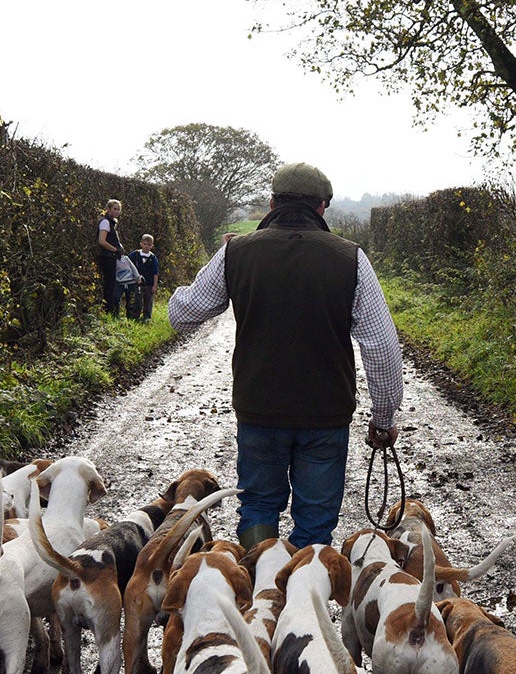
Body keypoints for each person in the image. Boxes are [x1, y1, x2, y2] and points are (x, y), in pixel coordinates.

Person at [167, 161, 403, 547]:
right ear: (322, 207)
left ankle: (262, 593)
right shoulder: (351, 257)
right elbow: (381, 345)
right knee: (316, 518)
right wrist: (383, 418)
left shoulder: (236, 252)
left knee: (257, 505)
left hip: (259, 411)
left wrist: (220, 258)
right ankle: (301, 594)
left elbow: (182, 314)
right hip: (325, 416)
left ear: (272, 202)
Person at [94, 199, 124, 313]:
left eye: (118, 209)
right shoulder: (105, 222)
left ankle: (111, 309)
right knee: (109, 285)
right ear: (108, 209)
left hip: (111, 257)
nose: (117, 211)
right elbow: (102, 241)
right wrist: (115, 249)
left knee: (111, 284)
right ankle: (108, 310)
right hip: (106, 257)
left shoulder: (111, 222)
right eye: (114, 209)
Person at [128, 234, 161, 320]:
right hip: (137, 282)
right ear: (141, 244)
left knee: (148, 301)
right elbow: (127, 263)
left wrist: (154, 285)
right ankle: (135, 316)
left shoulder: (153, 258)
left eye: (149, 245)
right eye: (145, 244)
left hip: (149, 284)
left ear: (152, 246)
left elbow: (155, 273)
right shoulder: (135, 255)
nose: (146, 246)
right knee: (137, 301)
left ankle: (147, 317)